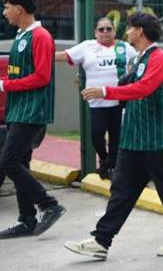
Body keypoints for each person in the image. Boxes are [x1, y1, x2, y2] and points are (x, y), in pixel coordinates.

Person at [66, 13, 163, 260]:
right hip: (133, 137)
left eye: (130, 28)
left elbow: (144, 88)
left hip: (155, 137)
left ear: (140, 31)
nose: (126, 32)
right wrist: (98, 84)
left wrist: (104, 90)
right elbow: (125, 86)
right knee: (122, 189)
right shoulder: (139, 60)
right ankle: (101, 240)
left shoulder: (159, 58)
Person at [0, 0, 66, 240]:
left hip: (32, 111)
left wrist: (4, 85)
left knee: (8, 162)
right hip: (18, 109)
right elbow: (22, 74)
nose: (5, 12)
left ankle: (49, 204)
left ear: (19, 8)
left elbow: (42, 77)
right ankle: (27, 220)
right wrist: (1, 80)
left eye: (7, 7)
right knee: (22, 163)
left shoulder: (41, 36)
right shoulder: (21, 35)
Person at [57, 17, 138, 180]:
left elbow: (139, 61)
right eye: (101, 29)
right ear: (95, 33)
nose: (105, 32)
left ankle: (113, 168)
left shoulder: (125, 48)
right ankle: (104, 158)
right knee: (97, 133)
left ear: (115, 31)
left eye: (109, 29)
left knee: (116, 135)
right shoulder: (87, 47)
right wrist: (37, 55)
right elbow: (64, 56)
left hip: (119, 101)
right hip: (97, 102)